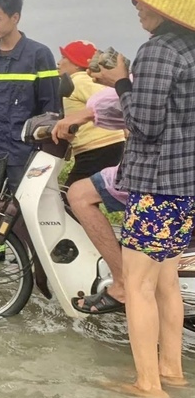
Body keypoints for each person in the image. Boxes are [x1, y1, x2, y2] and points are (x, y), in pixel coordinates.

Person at [92, 0, 195, 398]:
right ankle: (171, 371)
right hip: (186, 184)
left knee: (137, 286)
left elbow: (145, 124)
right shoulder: (190, 48)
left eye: (142, 1)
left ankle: (148, 383)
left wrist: (120, 80)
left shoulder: (158, 51)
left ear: (165, 6)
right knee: (166, 281)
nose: (137, 6)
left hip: (157, 184)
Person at [0, 0, 60, 190]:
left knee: (22, 208)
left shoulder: (39, 54)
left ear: (15, 17)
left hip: (23, 150)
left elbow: (52, 108)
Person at [52, 85, 129, 314]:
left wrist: (84, 114)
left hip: (153, 169)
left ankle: (122, 283)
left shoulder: (79, 81)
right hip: (175, 168)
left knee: (79, 194)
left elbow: (118, 99)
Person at [56, 40, 125, 187]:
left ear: (76, 63)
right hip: (101, 147)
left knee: (72, 194)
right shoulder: (83, 80)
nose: (59, 62)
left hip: (98, 147)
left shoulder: (79, 80)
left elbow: (108, 100)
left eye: (64, 58)